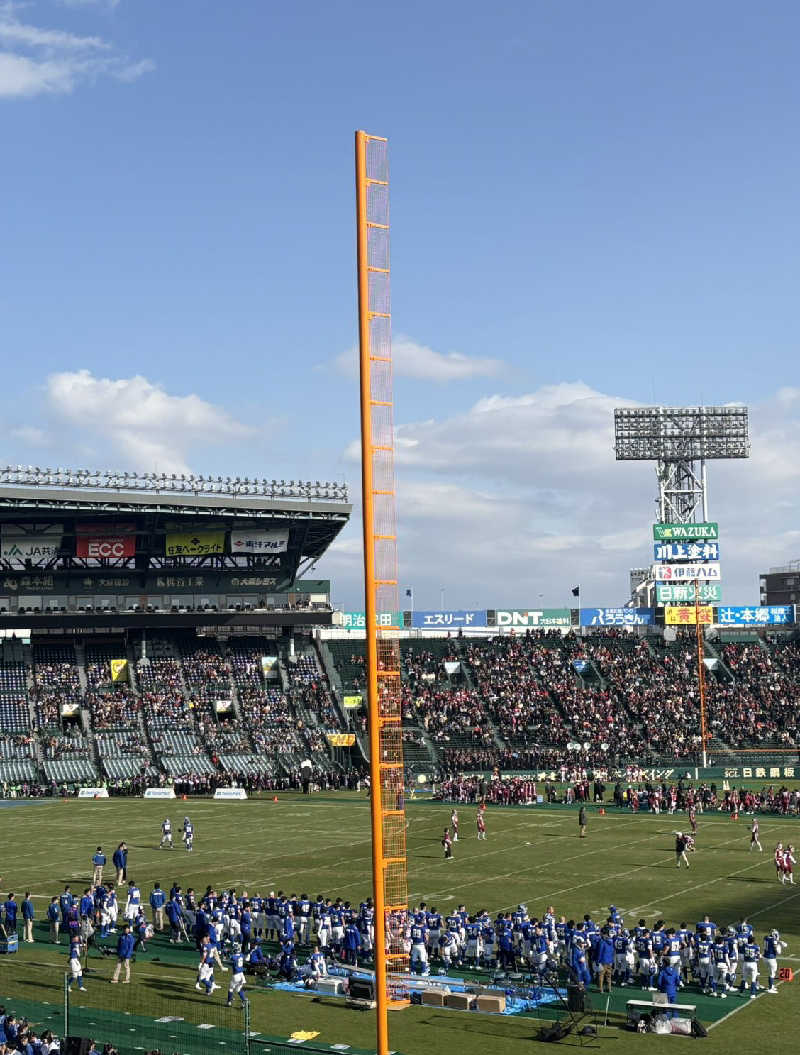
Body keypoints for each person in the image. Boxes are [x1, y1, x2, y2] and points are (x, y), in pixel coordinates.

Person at [226, 942, 248, 1007]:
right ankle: (244, 1000)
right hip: (242, 975)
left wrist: (227, 952)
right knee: (238, 989)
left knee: (230, 989)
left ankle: (229, 1002)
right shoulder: (241, 955)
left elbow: (229, 959)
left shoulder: (234, 956)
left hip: (236, 975)